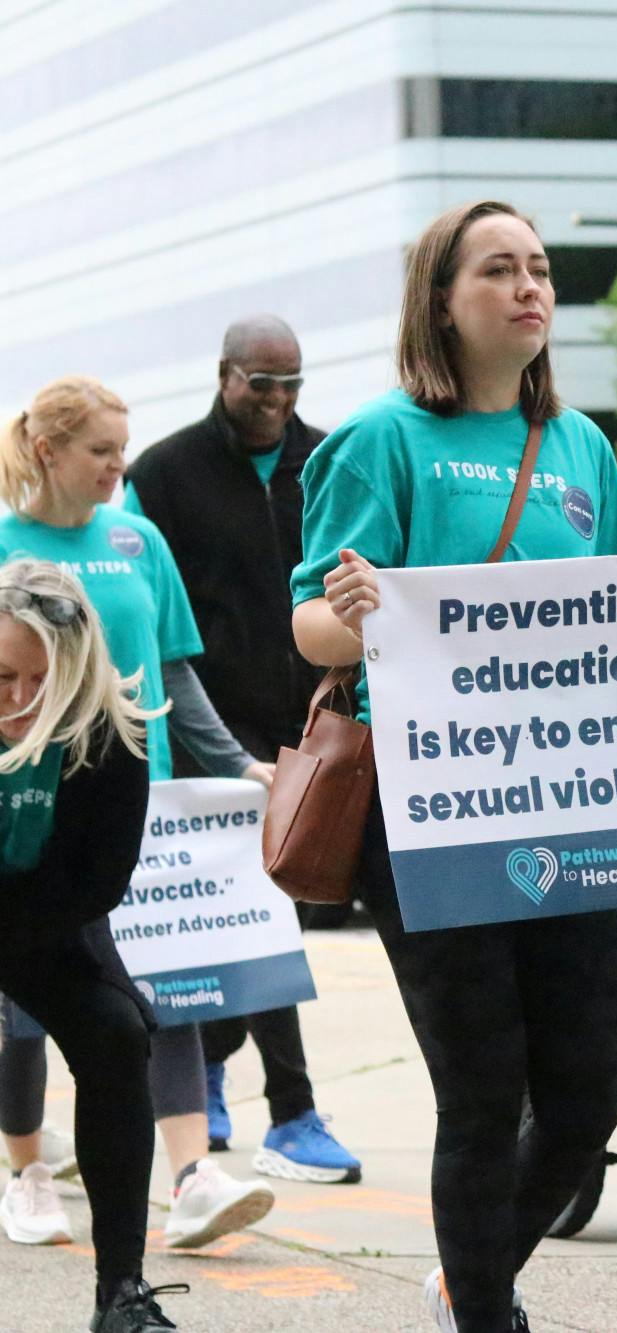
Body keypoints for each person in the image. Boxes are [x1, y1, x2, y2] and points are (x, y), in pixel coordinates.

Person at [289, 199, 617, 1333]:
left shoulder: (582, 448)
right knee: (481, 1087)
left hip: (567, 810)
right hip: (431, 812)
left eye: (540, 269)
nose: (529, 287)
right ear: (441, 303)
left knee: (587, 1093)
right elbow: (309, 625)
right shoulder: (381, 439)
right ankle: (489, 1315)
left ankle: (477, 1272)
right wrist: (350, 614)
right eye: (498, 270)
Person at [0, 376, 277, 1252]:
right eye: (101, 451)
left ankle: (193, 1173)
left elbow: (176, 673)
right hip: (31, 804)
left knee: (160, 978)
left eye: (124, 448)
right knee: (33, 986)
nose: (121, 465)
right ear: (48, 452)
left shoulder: (139, 539)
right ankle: (27, 1168)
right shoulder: (6, 542)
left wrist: (237, 762)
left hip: (130, 797)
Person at [123, 314, 361, 1186]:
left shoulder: (331, 459)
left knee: (270, 914)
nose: (277, 402)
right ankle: (288, 1109)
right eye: (261, 384)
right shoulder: (163, 473)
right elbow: (155, 625)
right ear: (224, 375)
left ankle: (222, 1074)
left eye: (292, 384)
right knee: (253, 918)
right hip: (205, 735)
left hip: (313, 724)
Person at [0, 557, 184, 1332]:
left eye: (39, 679)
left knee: (116, 1034)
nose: (17, 698)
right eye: (2, 675)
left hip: (44, 916)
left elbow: (94, 885)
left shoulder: (116, 731)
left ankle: (122, 1293)